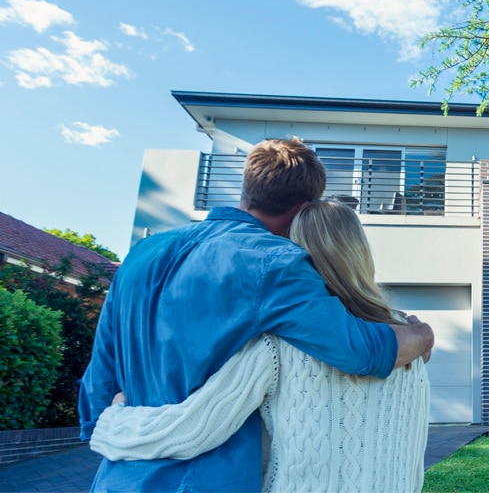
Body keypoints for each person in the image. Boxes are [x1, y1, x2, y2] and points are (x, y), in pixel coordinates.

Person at [78, 138, 434, 492]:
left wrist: (111, 432)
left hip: (117, 476)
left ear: (248, 186)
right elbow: (358, 350)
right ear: (304, 208)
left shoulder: (142, 254)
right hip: (207, 480)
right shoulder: (274, 262)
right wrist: (421, 335)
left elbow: (99, 378)